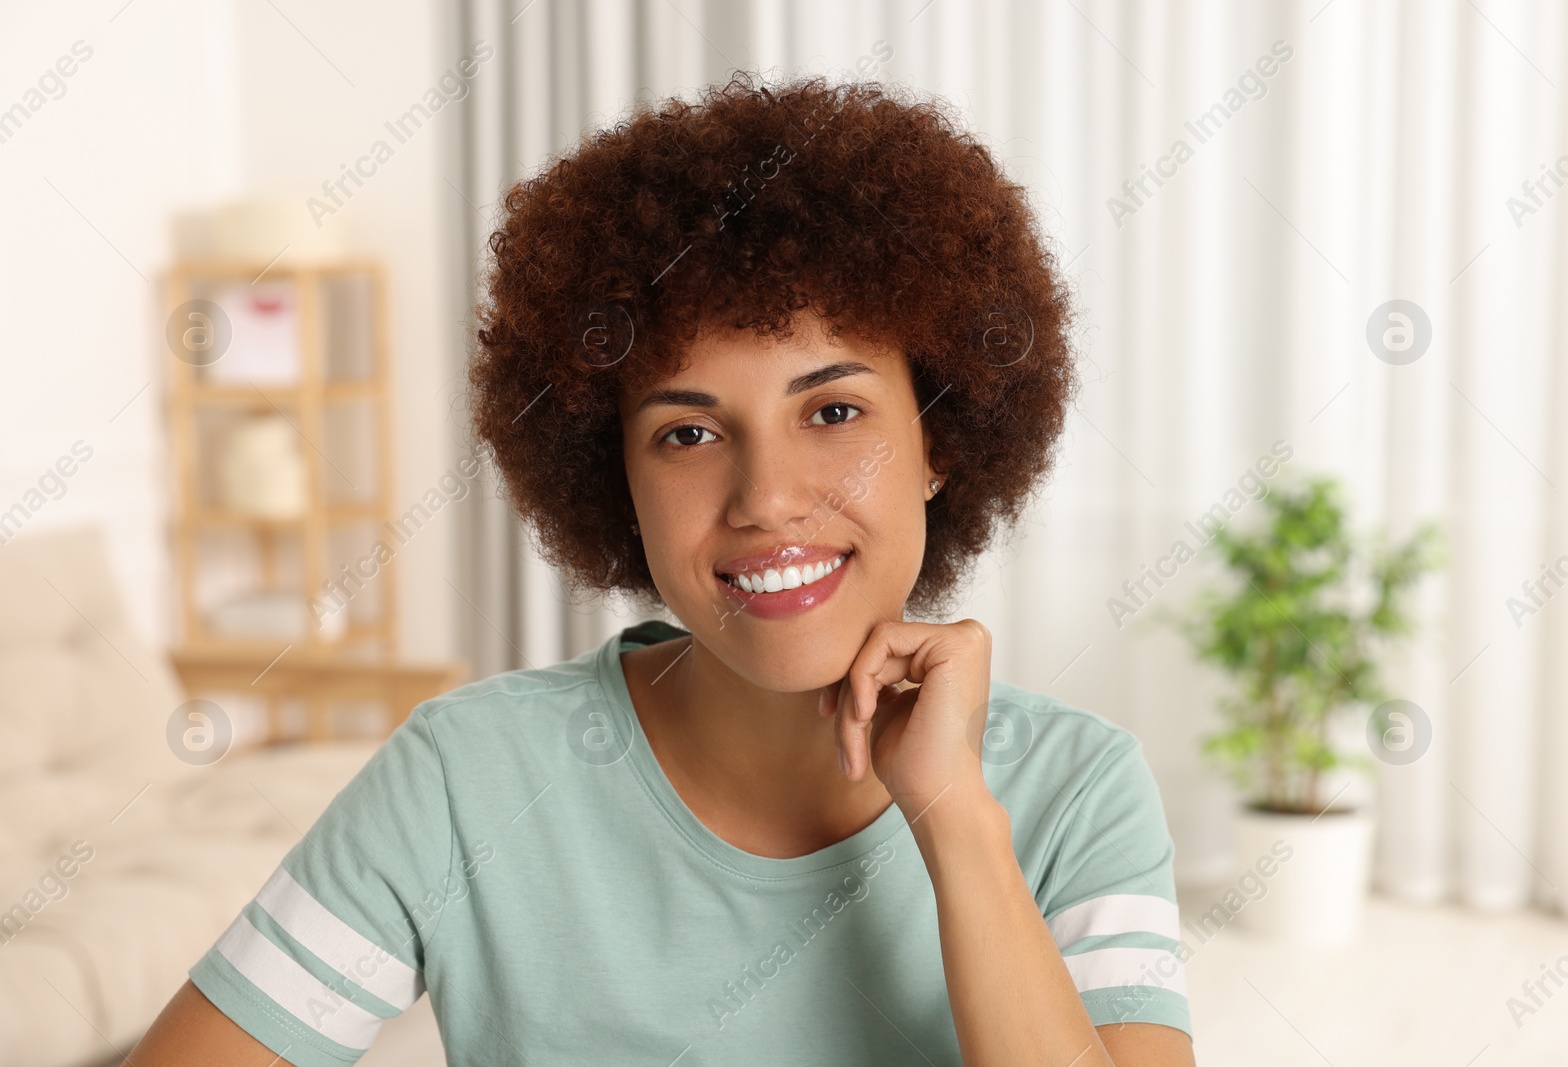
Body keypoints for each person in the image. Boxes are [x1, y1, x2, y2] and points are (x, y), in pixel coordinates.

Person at [132, 72, 1196, 1066]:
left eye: (832, 412)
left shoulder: (1076, 793)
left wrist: (956, 820)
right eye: (688, 433)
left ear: (941, 443)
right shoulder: (468, 778)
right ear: (614, 478)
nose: (766, 497)